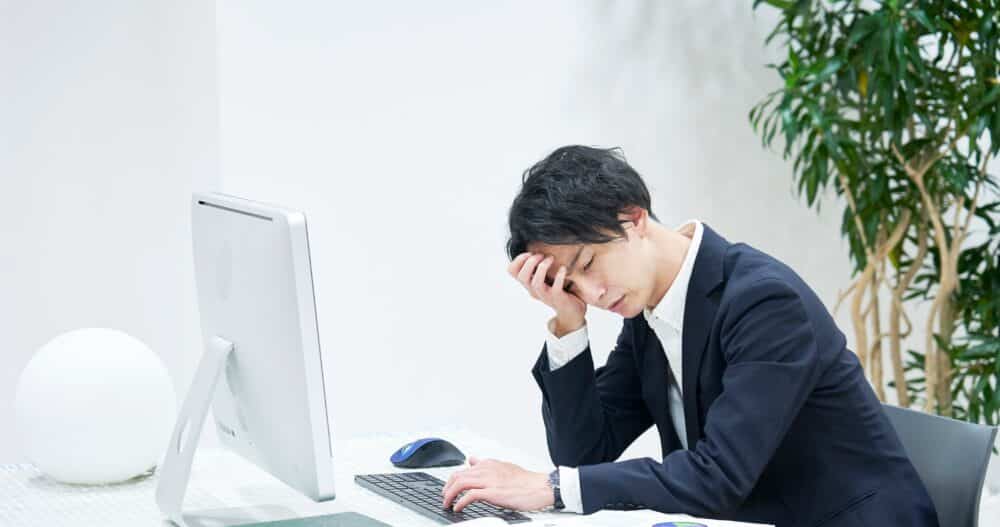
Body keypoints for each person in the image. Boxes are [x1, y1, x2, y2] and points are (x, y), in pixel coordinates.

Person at [441, 145, 939, 527]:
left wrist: (549, 488)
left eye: (587, 264)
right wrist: (569, 320)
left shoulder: (764, 302)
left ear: (633, 218)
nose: (592, 293)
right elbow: (584, 454)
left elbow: (718, 476)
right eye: (570, 284)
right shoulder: (647, 312)